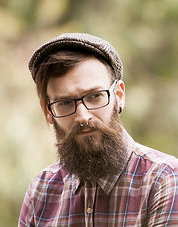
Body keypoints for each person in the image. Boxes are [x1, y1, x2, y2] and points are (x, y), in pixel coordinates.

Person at [18, 33, 178, 227]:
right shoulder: (41, 191)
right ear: (48, 111)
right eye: (65, 103)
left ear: (118, 95)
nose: (83, 116)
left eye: (95, 96)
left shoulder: (164, 180)